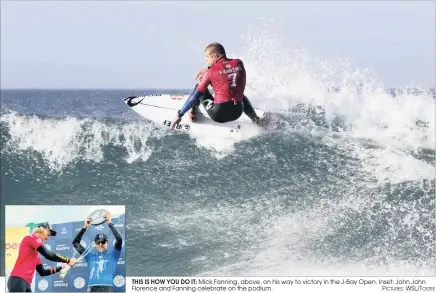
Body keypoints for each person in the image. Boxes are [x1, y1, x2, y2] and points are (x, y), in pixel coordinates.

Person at [170, 42, 263, 131]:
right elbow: (226, 67)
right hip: (237, 111)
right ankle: (256, 120)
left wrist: (179, 115)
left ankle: (193, 113)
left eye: (207, 58)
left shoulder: (210, 72)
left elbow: (196, 95)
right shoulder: (239, 63)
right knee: (240, 95)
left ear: (215, 57)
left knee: (199, 88)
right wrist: (209, 68)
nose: (207, 61)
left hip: (218, 114)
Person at [7, 222, 77, 292]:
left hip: (26, 283)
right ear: (41, 230)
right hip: (17, 280)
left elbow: (42, 272)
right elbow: (48, 254)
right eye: (48, 233)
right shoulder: (30, 237)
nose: (47, 238)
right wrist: (68, 260)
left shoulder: (36, 254)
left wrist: (61, 267)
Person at [72, 211, 123, 292]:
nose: (100, 244)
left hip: (107, 288)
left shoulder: (114, 255)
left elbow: (119, 239)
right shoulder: (89, 255)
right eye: (98, 242)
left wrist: (109, 222)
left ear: (107, 243)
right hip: (91, 288)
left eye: (103, 242)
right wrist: (85, 227)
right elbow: (75, 243)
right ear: (95, 244)